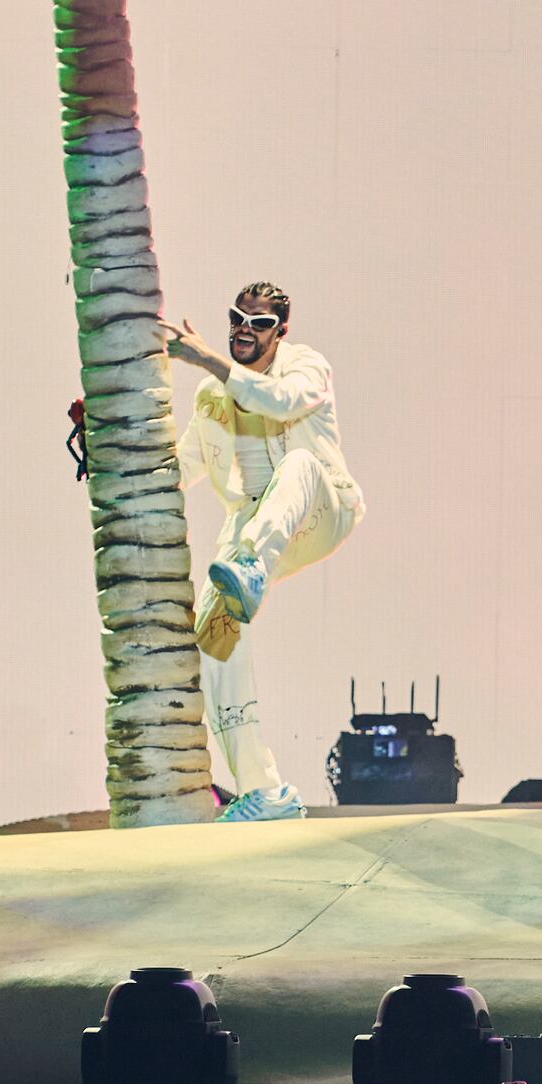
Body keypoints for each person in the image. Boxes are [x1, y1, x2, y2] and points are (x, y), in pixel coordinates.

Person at [159, 281, 367, 822]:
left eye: (259, 323)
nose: (244, 330)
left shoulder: (305, 366)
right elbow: (181, 470)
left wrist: (206, 358)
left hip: (319, 508)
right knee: (214, 644)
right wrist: (107, 448)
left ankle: (252, 564)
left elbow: (278, 401)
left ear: (281, 331)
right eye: (237, 319)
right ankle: (264, 790)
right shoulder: (210, 399)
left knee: (297, 465)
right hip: (250, 529)